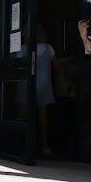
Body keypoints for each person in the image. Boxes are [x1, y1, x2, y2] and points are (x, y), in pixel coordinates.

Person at [35, 25, 56, 156]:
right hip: (44, 84)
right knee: (43, 117)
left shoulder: (25, 48)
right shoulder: (49, 48)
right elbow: (56, 66)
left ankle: (19, 143)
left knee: (22, 114)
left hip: (27, 84)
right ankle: (44, 145)